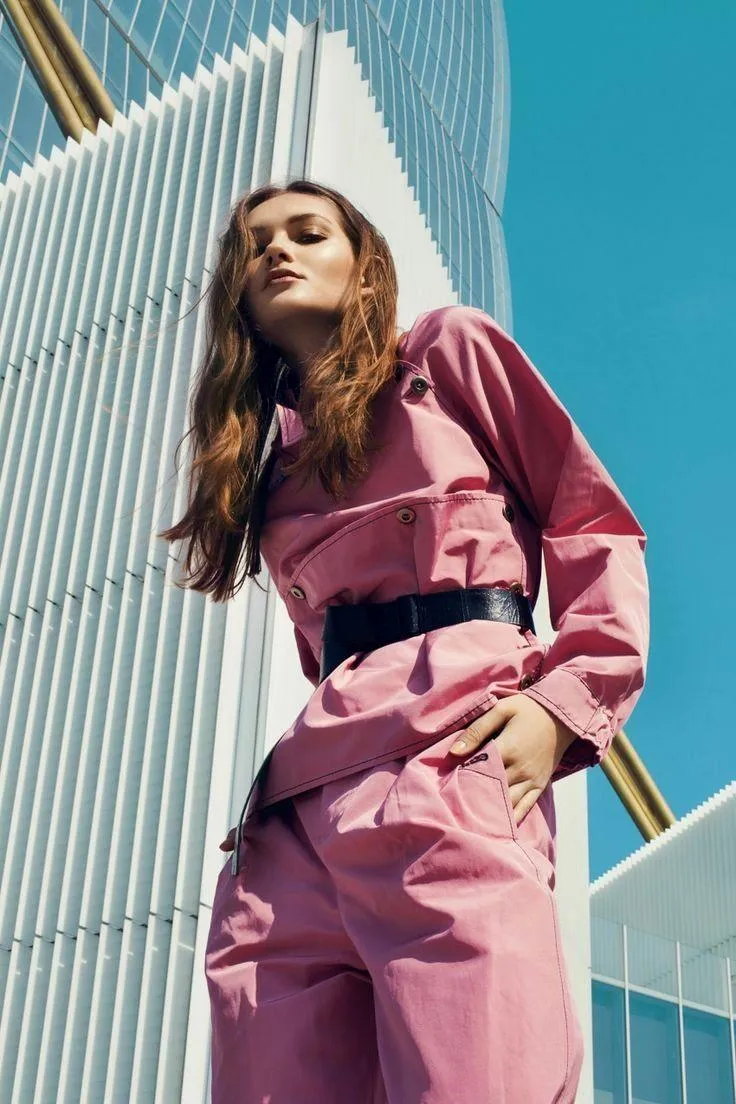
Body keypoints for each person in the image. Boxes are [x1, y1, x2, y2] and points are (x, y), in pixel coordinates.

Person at [160, 178, 649, 1102]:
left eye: (307, 233)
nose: (277, 251)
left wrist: (561, 706)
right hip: (293, 829)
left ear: (364, 261)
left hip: (447, 766)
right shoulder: (270, 477)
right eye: (255, 246)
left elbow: (594, 523)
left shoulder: (446, 354)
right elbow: (329, 660)